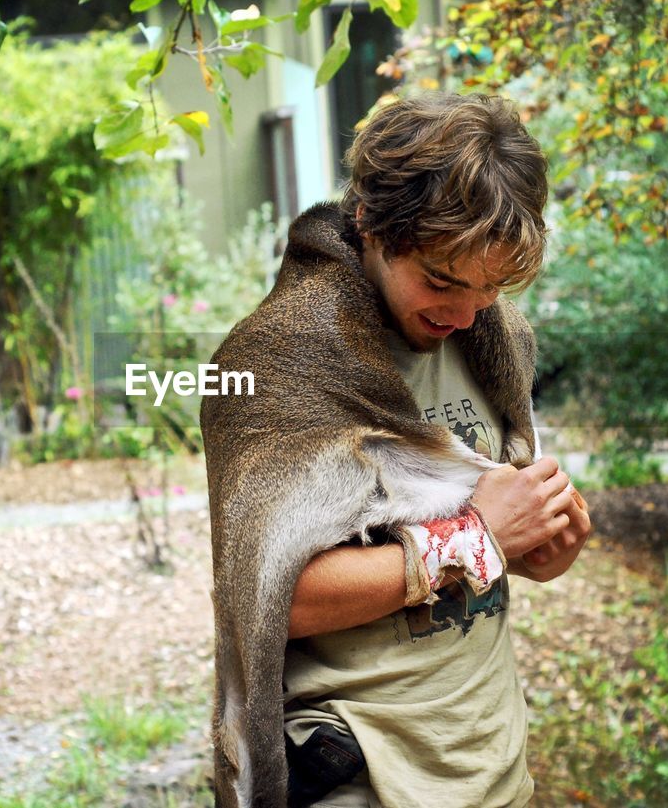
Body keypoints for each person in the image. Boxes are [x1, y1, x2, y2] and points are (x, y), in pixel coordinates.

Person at [200, 92, 593, 808]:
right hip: (362, 778)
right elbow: (265, 601)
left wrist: (541, 540)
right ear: (370, 225)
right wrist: (477, 541)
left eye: (491, 285)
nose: (465, 311)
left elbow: (499, 545)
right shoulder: (276, 363)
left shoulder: (493, 336)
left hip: (491, 769)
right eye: (440, 281)